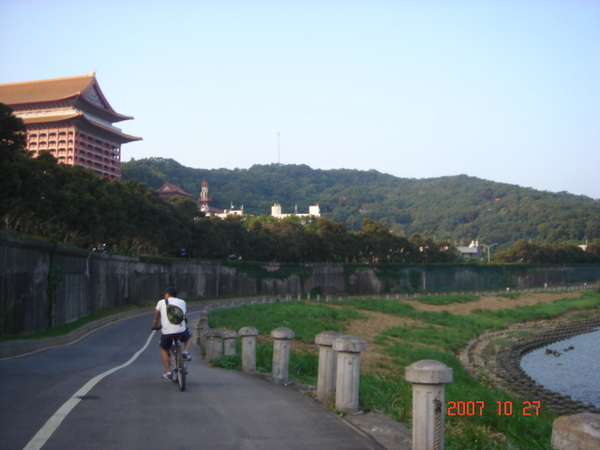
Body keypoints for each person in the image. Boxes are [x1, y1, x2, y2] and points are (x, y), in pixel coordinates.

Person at [151, 286, 193, 379]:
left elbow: (156, 317)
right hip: (181, 331)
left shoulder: (161, 302)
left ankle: (169, 372)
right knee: (189, 335)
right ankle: (185, 351)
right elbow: (183, 315)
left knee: (164, 348)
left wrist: (154, 326)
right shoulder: (182, 302)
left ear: (167, 294)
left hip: (167, 333)